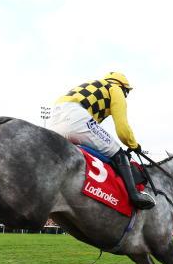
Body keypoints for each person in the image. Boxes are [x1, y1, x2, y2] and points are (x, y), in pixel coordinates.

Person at [48, 72, 155, 209]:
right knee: (119, 153)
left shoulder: (95, 85)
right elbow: (122, 129)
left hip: (55, 119)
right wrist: (134, 145)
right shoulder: (115, 89)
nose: (125, 96)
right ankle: (134, 196)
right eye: (126, 92)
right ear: (122, 86)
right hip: (75, 118)